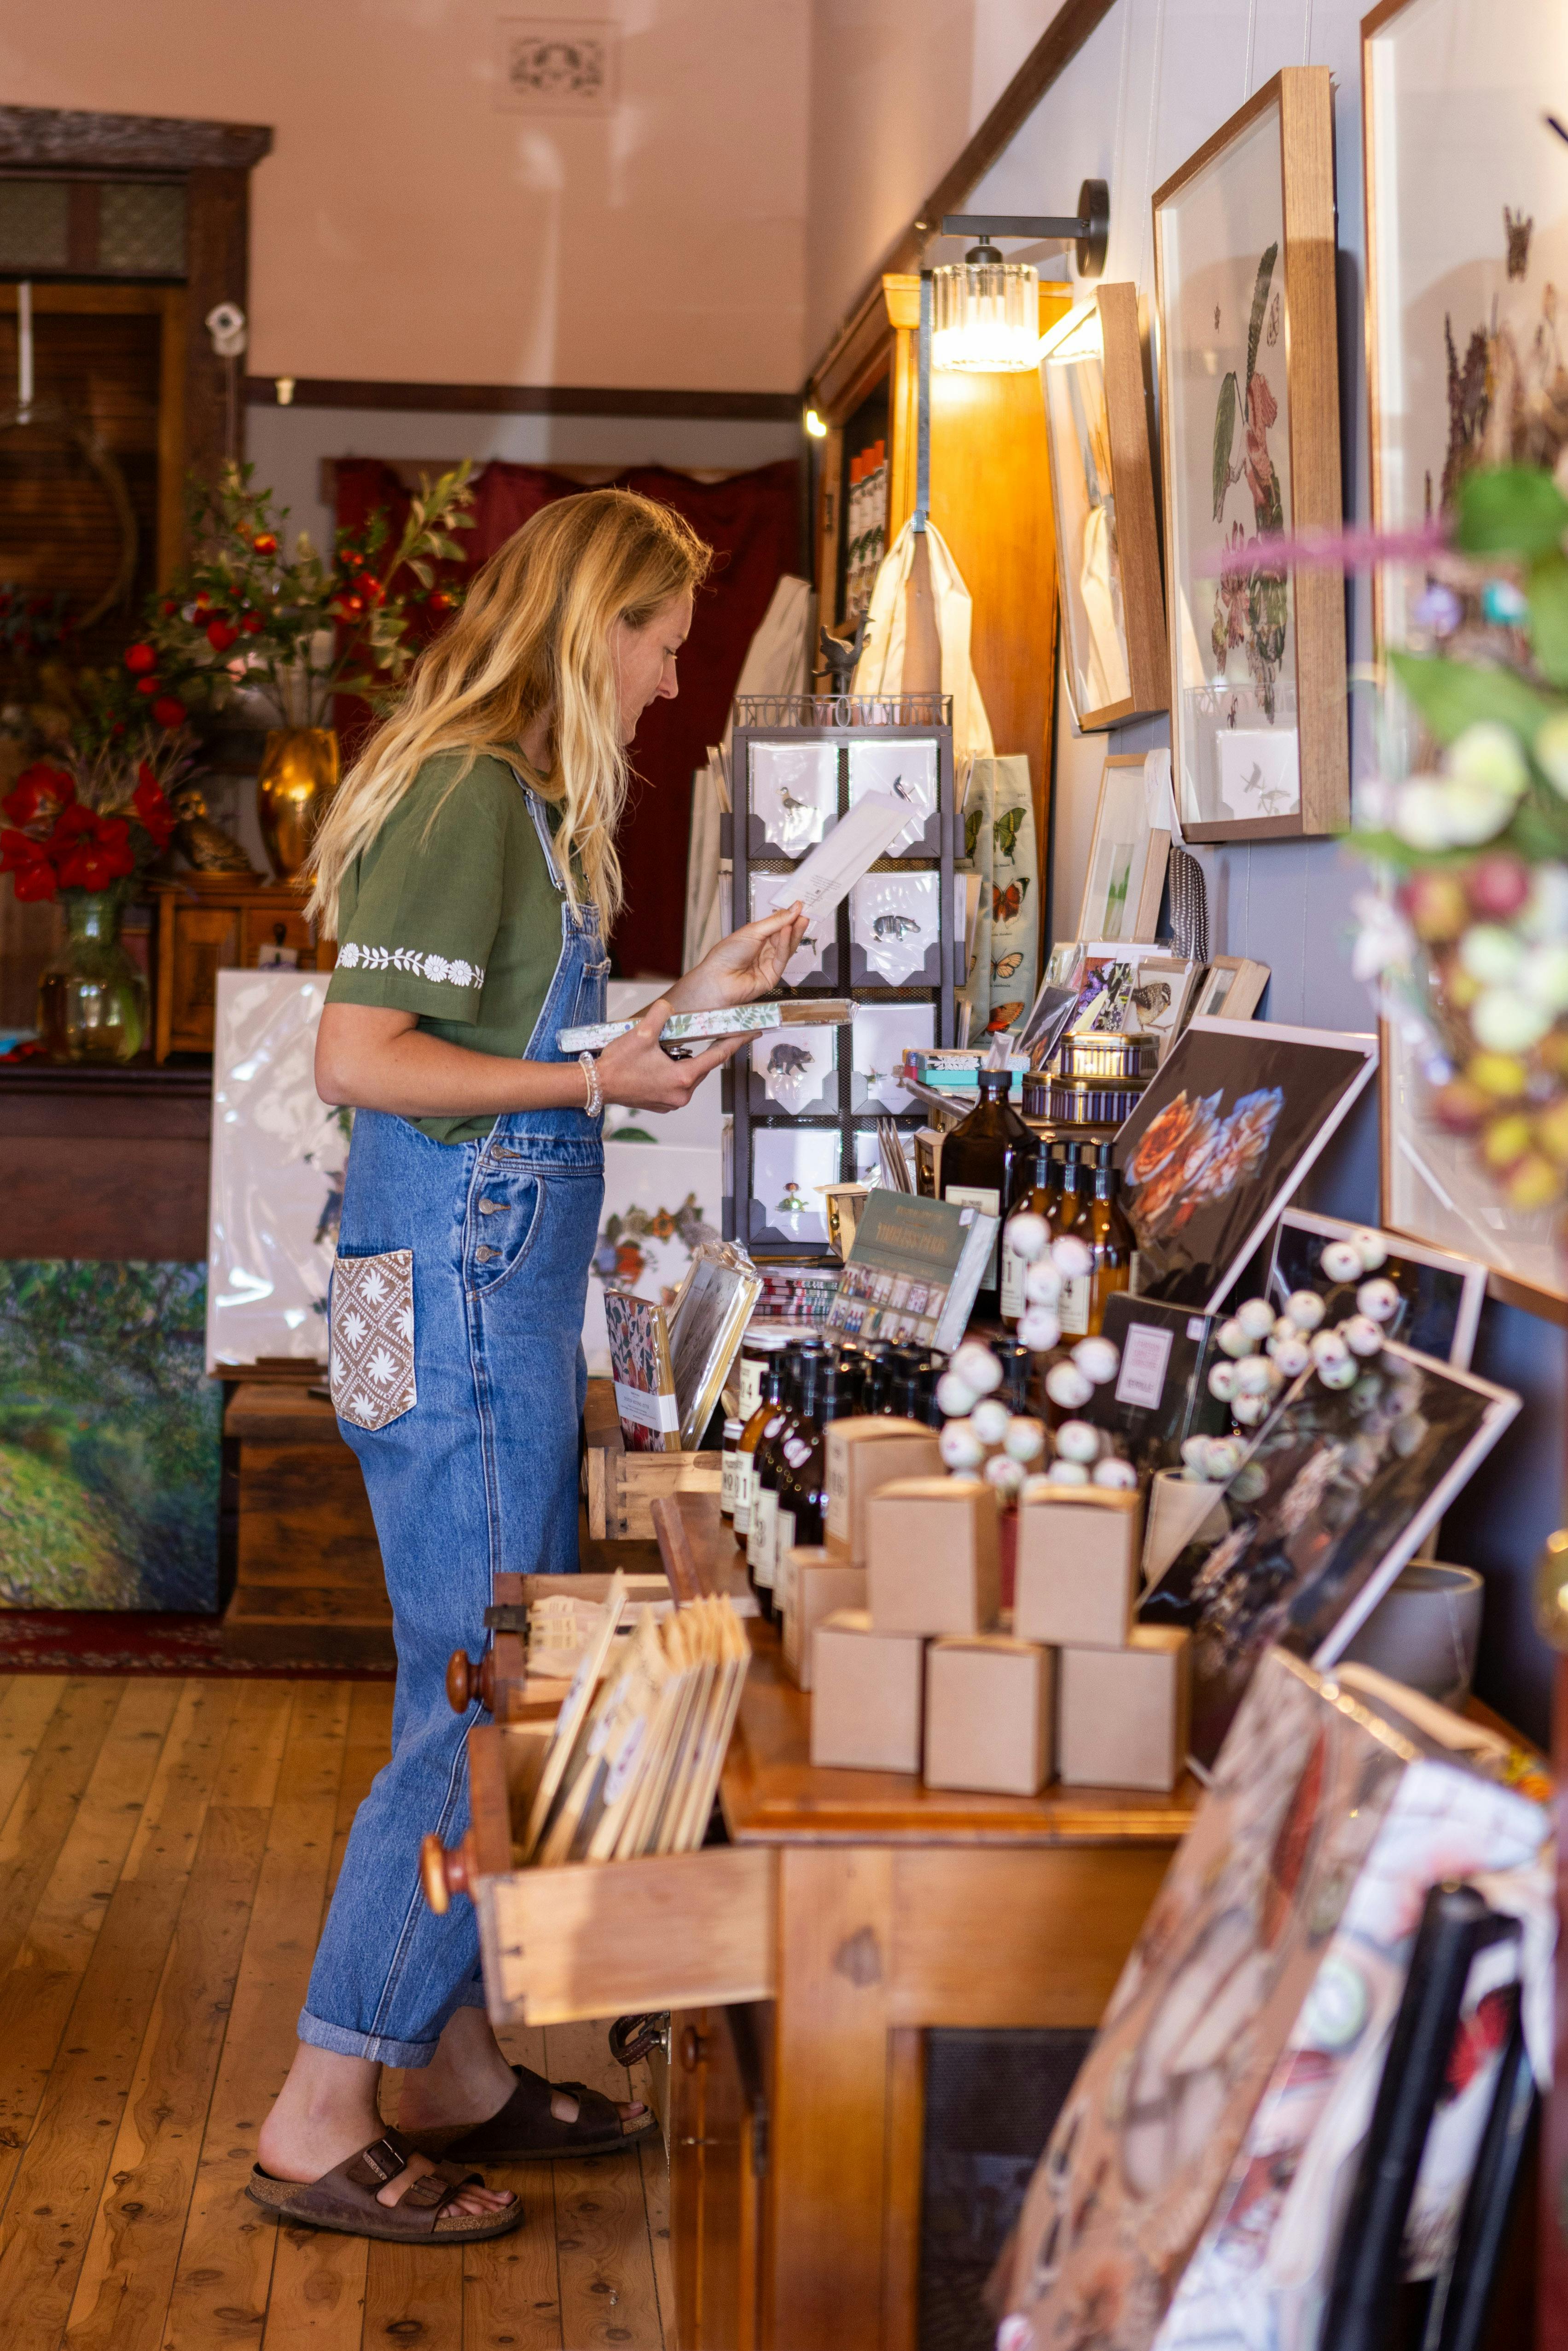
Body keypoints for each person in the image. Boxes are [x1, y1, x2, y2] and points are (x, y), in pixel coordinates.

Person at [249, 490, 806, 2244]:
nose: (666, 674)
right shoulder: (476, 794)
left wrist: (683, 1006)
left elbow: (497, 1031)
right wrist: (594, 1086)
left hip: (431, 1281)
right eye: (655, 636)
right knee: (479, 1686)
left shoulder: (526, 801)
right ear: (591, 622)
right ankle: (322, 2105)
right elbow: (363, 1052)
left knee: (462, 1663)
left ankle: (457, 2066)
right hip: (459, 1288)